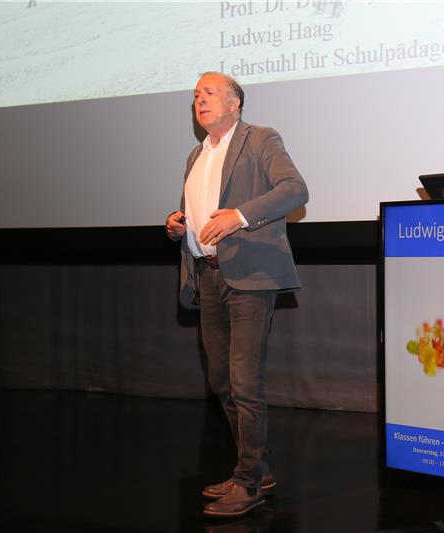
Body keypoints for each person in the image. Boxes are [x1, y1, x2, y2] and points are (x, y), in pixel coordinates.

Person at [165, 72, 308, 518]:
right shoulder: (196, 154)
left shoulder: (260, 139)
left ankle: (248, 484)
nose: (199, 100)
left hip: (250, 277)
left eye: (208, 93)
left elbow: (295, 190)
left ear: (234, 104)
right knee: (222, 382)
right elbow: (198, 211)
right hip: (207, 276)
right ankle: (256, 469)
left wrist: (240, 216)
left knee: (245, 382)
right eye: (195, 96)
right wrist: (179, 225)